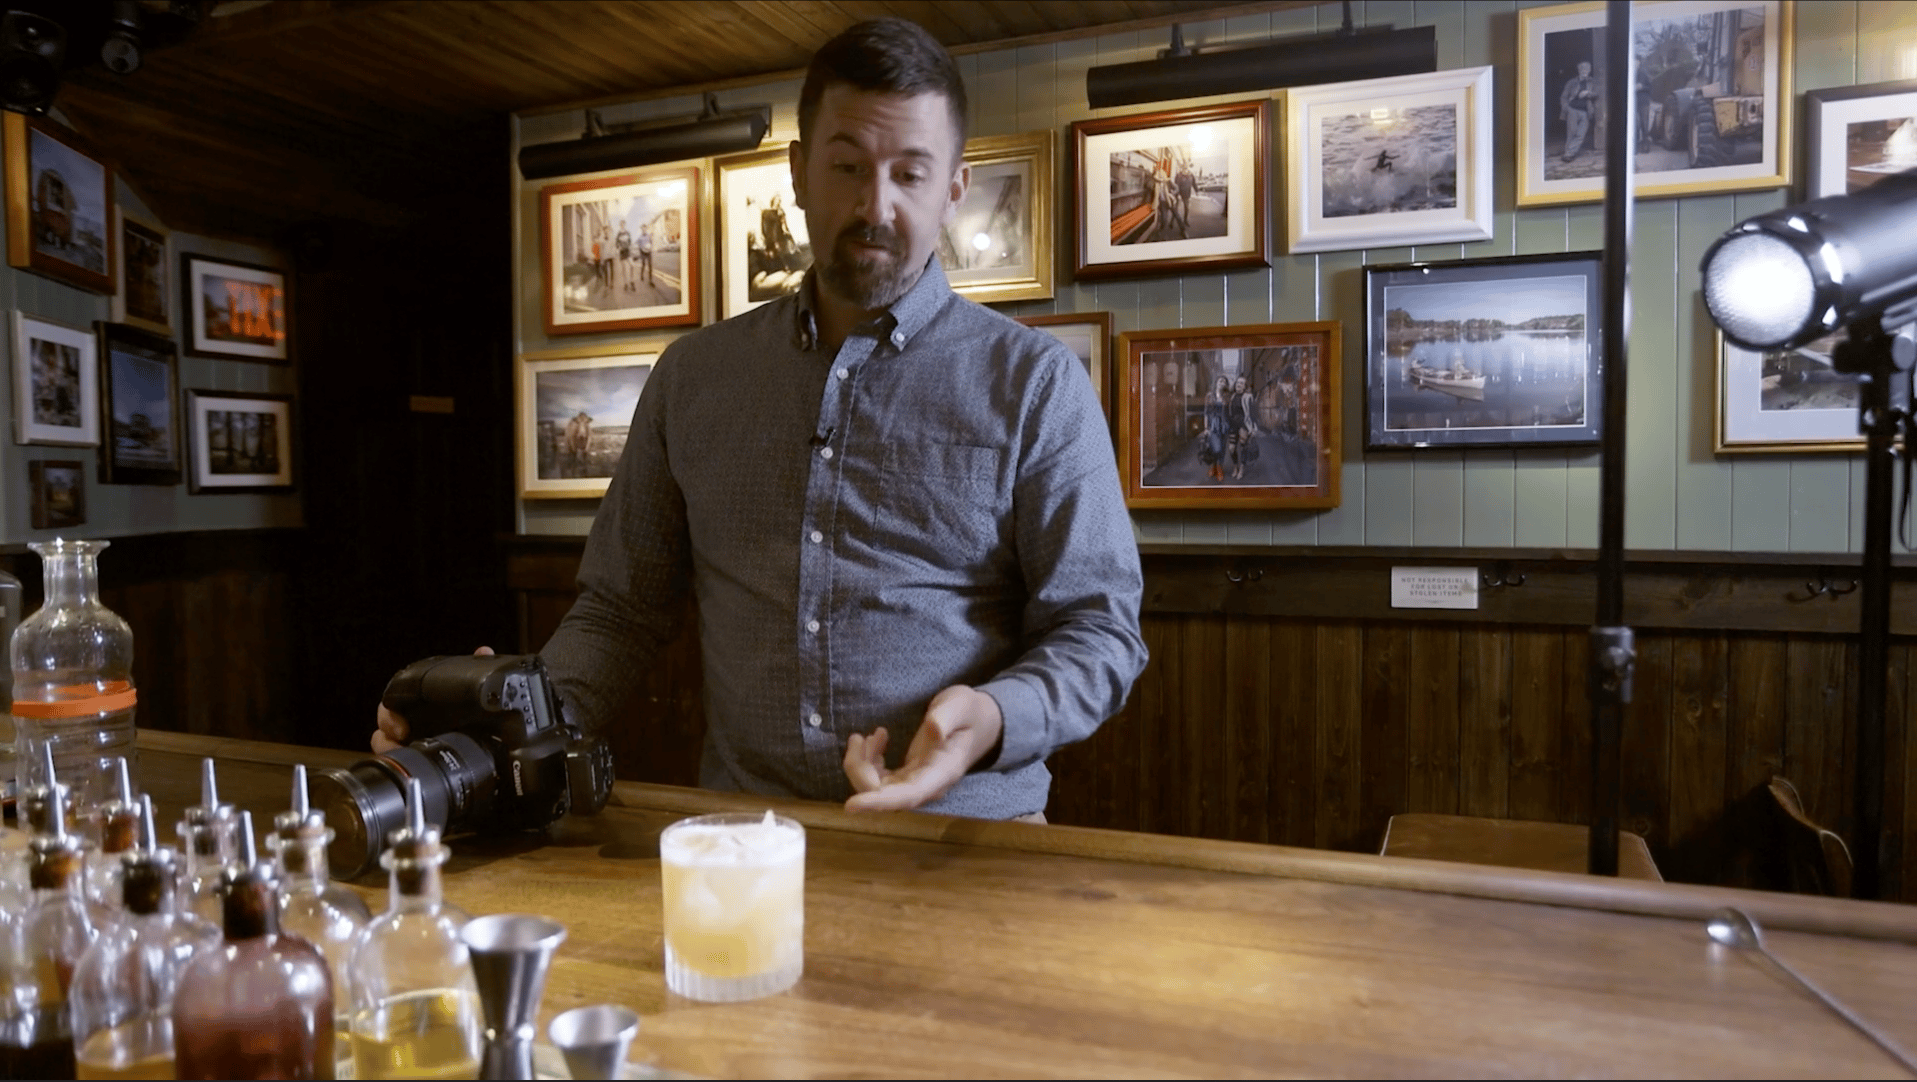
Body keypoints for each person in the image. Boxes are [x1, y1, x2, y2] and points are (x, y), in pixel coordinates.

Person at [376, 18, 1146, 822]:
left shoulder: (1035, 382)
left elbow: (1098, 630)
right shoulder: (694, 375)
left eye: (910, 174)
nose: (874, 205)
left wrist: (992, 717)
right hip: (747, 840)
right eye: (846, 166)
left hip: (968, 835)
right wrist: (498, 730)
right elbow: (621, 610)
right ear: (798, 174)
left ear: (953, 187)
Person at [1559, 60, 1598, 162]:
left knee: (1581, 134)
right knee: (1572, 133)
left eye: (1586, 69)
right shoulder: (1572, 82)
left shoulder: (1592, 82)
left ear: (1589, 71)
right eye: (1582, 69)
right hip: (1573, 110)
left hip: (1586, 112)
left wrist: (1588, 93)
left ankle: (1568, 153)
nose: (1584, 71)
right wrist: (1566, 108)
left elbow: (1597, 93)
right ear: (1579, 70)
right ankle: (1568, 154)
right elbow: (1564, 97)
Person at [1225, 375, 1259, 482]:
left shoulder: (1248, 397)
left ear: (1244, 387)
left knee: (1243, 447)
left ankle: (1242, 469)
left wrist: (1253, 429)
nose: (1238, 384)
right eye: (1237, 382)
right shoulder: (1232, 396)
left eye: (1241, 383)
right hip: (1233, 425)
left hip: (1243, 424)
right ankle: (1235, 466)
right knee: (1231, 448)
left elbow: (1253, 413)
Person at [1199, 375, 1229, 482]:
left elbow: (1229, 412)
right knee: (1216, 448)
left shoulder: (1227, 396)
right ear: (1216, 382)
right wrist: (1206, 428)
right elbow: (1206, 413)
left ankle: (1219, 468)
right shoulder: (1209, 395)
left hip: (1224, 425)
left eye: (1224, 382)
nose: (1222, 383)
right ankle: (1214, 466)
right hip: (1213, 425)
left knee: (1222, 448)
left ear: (1226, 385)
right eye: (1220, 380)